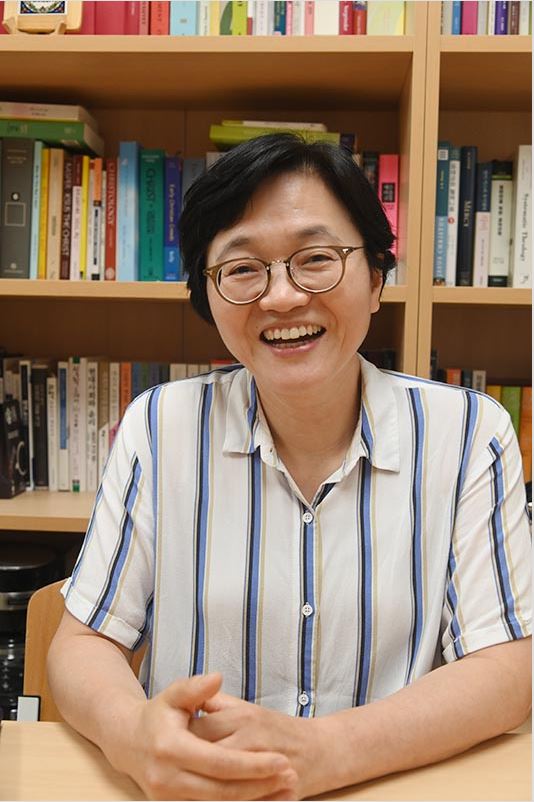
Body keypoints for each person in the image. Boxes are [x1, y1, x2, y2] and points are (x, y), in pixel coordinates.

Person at [48, 133, 531, 801]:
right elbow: (82, 644)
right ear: (209, 296)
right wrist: (133, 736)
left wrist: (325, 752)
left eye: (316, 259)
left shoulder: (471, 433)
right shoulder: (159, 427)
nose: (280, 298)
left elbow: (509, 666)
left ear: (376, 279)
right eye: (243, 268)